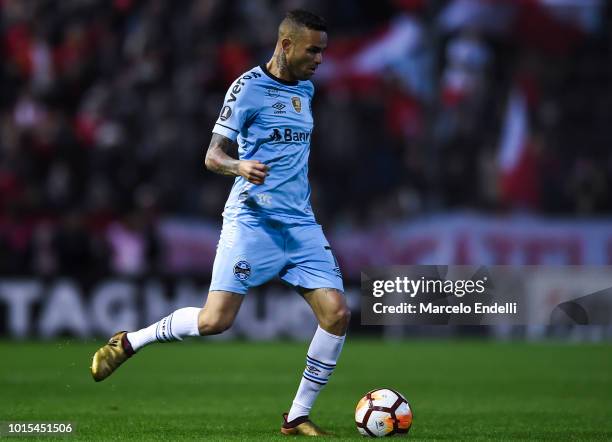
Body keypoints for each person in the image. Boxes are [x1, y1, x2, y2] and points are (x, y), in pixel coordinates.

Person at [90, 9, 350, 436]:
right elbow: (212, 156)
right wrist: (239, 166)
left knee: (337, 313)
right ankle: (130, 341)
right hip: (253, 221)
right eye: (313, 50)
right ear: (286, 45)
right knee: (215, 322)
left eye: (322, 51)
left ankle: (297, 415)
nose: (320, 59)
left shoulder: (306, 89)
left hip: (300, 224)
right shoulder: (246, 89)